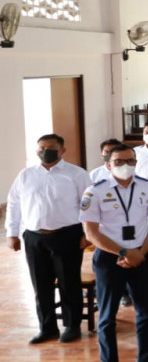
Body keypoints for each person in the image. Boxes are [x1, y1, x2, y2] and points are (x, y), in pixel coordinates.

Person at [80, 144, 148, 362]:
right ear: (108, 164)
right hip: (110, 258)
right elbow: (91, 233)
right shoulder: (95, 191)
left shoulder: (147, 186)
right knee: (107, 316)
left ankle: (146, 361)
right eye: (118, 161)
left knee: (146, 313)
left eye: (130, 160)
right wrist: (122, 251)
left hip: (142, 254)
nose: (125, 165)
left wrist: (140, 253)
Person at [7, 134, 92, 344]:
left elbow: (89, 205)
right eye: (41, 148)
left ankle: (71, 326)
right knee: (40, 284)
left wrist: (87, 234)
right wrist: (12, 233)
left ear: (62, 150)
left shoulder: (76, 174)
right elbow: (14, 203)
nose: (45, 151)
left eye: (51, 148)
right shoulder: (26, 175)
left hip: (67, 235)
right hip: (35, 237)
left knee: (68, 282)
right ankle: (47, 327)